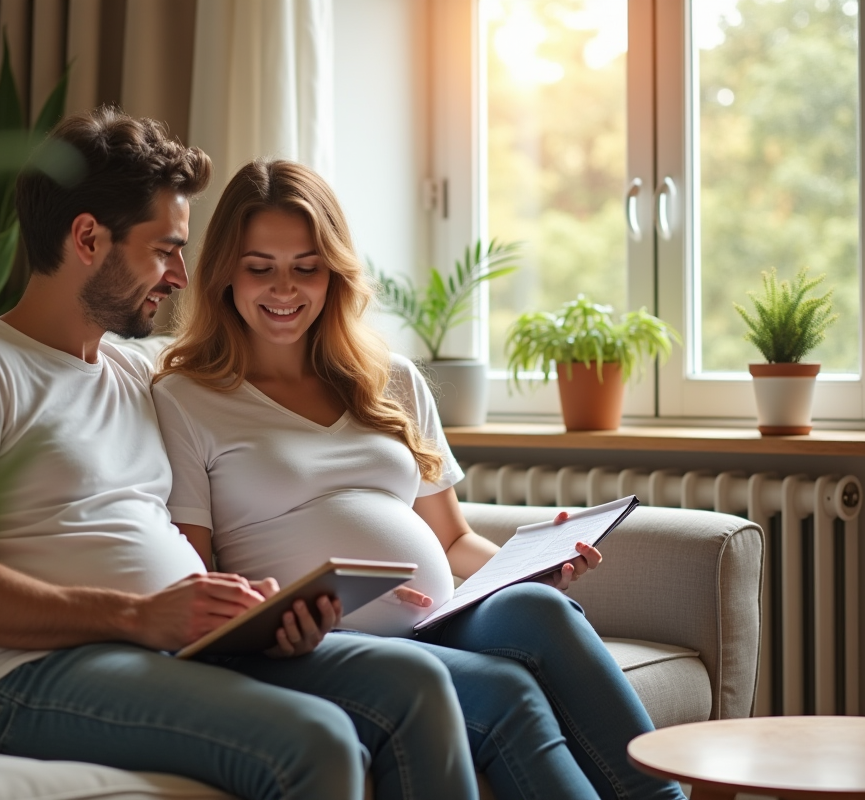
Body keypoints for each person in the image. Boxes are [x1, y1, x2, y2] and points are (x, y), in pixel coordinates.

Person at [0, 110, 480, 800]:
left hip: (178, 650)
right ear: (87, 237)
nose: (180, 275)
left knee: (416, 683)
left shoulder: (140, 377)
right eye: (165, 249)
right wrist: (136, 615)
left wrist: (267, 618)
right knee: (315, 740)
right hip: (27, 675)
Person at [152, 158, 688, 800]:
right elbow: (195, 568)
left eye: (306, 267)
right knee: (506, 692)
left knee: (541, 608)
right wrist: (279, 615)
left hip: (438, 618)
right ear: (224, 276)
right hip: (318, 641)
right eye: (259, 267)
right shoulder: (189, 398)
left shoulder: (391, 380)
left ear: (335, 272)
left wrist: (531, 564)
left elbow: (455, 540)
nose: (284, 289)